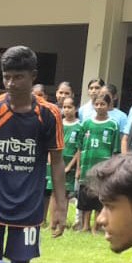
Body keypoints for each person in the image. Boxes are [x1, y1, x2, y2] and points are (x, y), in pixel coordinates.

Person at [0, 46, 66, 263]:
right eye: (7, 77)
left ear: (33, 77)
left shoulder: (50, 114)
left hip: (29, 205)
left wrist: (60, 207)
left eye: (18, 77)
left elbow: (57, 162)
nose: (11, 83)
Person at [73, 89, 121, 234]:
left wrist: (112, 169)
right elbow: (80, 147)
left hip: (103, 167)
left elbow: (115, 149)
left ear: (108, 105)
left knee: (99, 197)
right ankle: (85, 225)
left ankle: (96, 226)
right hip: (87, 165)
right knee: (86, 196)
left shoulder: (113, 125)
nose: (99, 107)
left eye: (103, 104)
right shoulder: (86, 123)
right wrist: (78, 168)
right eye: (97, 104)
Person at [50, 97, 82, 230]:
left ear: (76, 109)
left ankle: (61, 221)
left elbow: (79, 149)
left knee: (65, 194)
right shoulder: (58, 124)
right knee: (53, 192)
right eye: (64, 107)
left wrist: (71, 166)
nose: (66, 110)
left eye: (70, 107)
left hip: (70, 163)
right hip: (57, 160)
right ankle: (52, 223)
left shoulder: (80, 126)